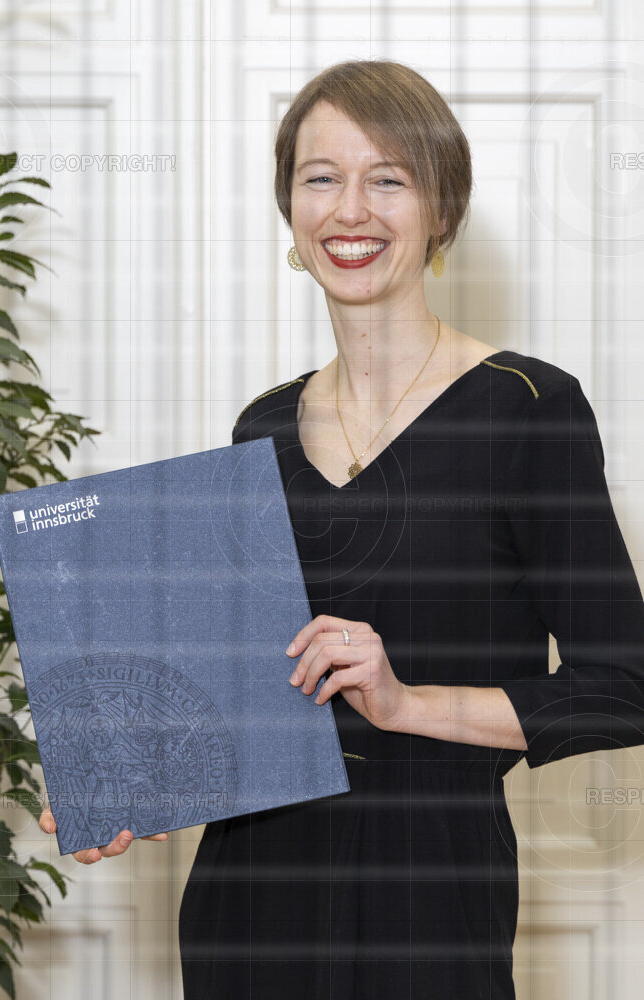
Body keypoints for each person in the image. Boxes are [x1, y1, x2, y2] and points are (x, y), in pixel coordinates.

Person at [40, 59, 644, 999]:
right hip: (248, 892)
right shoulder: (261, 429)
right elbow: (231, 696)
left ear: (441, 208)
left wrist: (404, 703)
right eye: (320, 178)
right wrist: (133, 772)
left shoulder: (527, 408)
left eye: (387, 179)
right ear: (290, 209)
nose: (349, 210)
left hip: (429, 891)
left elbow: (623, 688)